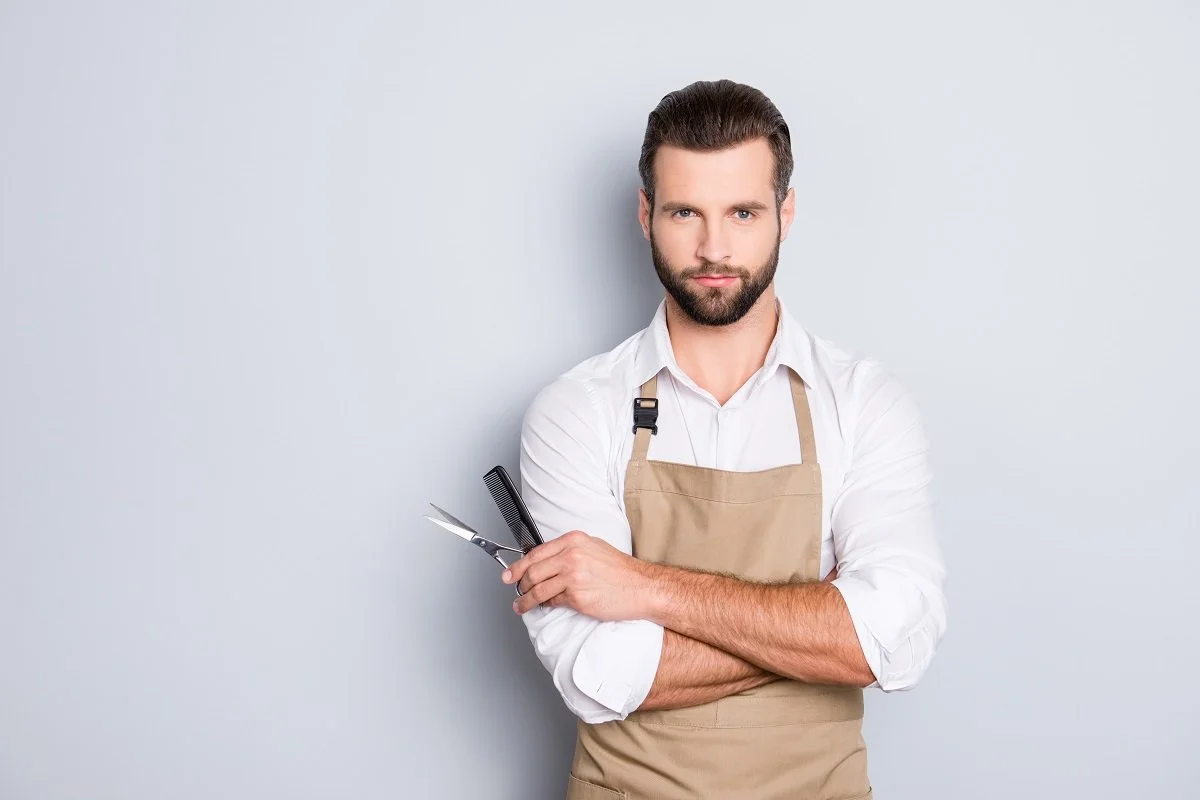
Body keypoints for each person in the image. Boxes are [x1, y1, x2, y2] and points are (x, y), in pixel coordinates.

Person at [500, 79, 947, 800]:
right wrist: (818, 626)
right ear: (646, 215)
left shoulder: (863, 401)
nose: (715, 247)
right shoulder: (576, 411)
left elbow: (895, 638)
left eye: (743, 211)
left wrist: (644, 587)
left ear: (785, 212)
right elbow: (603, 675)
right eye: (685, 212)